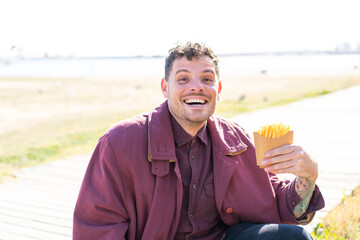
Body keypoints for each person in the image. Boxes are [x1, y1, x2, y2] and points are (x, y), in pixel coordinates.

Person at [73, 41, 324, 240]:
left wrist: (308, 177)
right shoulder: (119, 142)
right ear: (165, 87)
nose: (197, 87)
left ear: (218, 89)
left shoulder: (237, 140)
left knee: (294, 237)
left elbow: (281, 203)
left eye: (207, 79)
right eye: (183, 79)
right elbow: (98, 226)